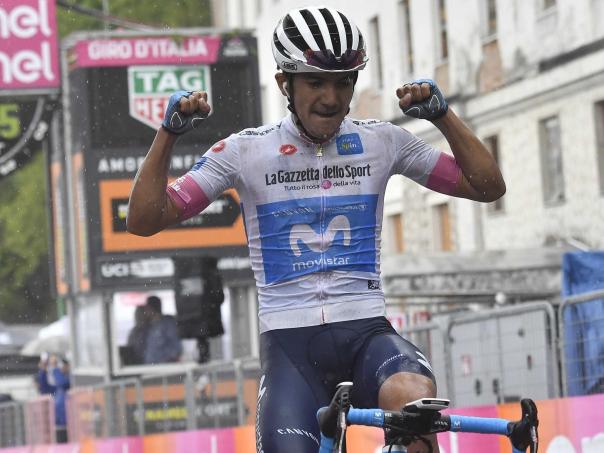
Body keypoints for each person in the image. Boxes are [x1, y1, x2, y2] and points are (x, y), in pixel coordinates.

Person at [127, 6, 505, 452]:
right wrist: (167, 135)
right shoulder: (245, 152)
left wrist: (444, 118)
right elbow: (144, 219)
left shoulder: (382, 141)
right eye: (315, 82)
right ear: (283, 83)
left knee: (413, 399)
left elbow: (487, 187)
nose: (331, 97)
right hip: (291, 349)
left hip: (367, 333)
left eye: (344, 82)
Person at [175, 257, 225, 363]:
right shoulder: (211, 323)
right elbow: (219, 296)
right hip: (190, 262)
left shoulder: (189, 325)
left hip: (193, 262)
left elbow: (219, 296)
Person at [36, 354, 71, 443]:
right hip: (58, 426)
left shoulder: (69, 382)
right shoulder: (57, 390)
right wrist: (43, 370)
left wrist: (55, 368)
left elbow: (62, 383)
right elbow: (44, 389)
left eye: (61, 365)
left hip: (70, 425)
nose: (61, 367)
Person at [143, 295, 182, 364]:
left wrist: (164, 361)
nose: (145, 311)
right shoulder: (149, 326)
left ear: (152, 308)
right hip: (150, 366)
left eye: (147, 308)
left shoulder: (168, 324)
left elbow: (176, 348)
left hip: (164, 367)